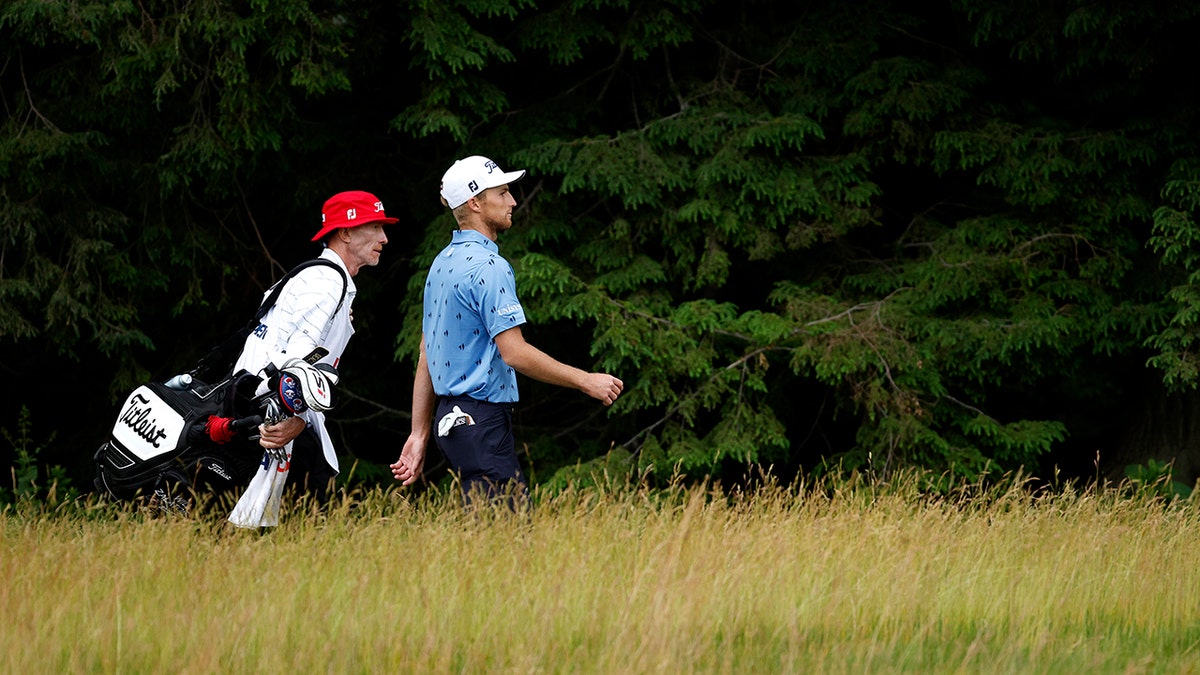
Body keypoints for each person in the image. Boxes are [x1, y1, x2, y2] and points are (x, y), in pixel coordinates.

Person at [390, 155, 623, 505]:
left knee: (492, 538)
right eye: (502, 193)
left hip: (453, 423)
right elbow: (514, 352)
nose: (513, 201)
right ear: (475, 202)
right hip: (482, 420)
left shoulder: (442, 263)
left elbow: (427, 351)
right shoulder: (490, 266)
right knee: (508, 537)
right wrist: (585, 380)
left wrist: (419, 432)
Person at [233, 190, 394, 504]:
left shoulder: (319, 277)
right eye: (374, 227)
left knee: (280, 529)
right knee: (313, 521)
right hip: (276, 416)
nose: (384, 238)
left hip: (264, 410)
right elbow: (296, 359)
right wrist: (295, 420)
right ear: (345, 232)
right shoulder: (326, 282)